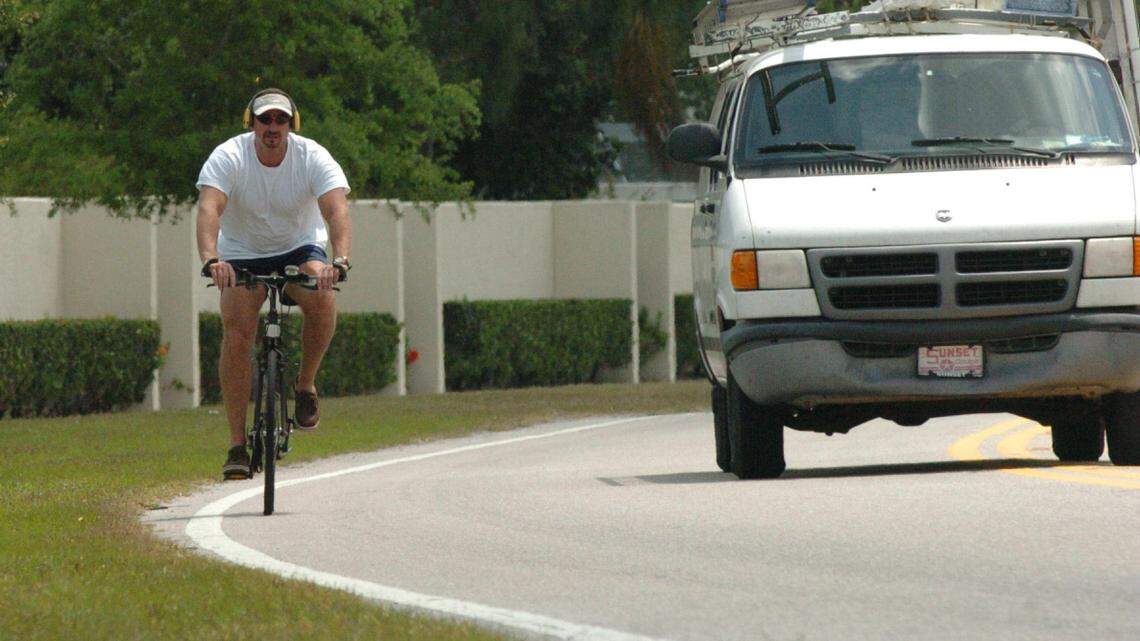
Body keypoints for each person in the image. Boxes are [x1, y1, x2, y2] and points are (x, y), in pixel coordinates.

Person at [196, 88, 352, 480]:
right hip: (242, 251)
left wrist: (340, 260)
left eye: (281, 120)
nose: (273, 127)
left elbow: (336, 210)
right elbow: (209, 207)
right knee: (237, 332)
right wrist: (211, 259)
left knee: (322, 295)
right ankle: (236, 444)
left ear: (291, 124)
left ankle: (305, 385)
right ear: (253, 123)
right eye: (265, 119)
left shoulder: (312, 156)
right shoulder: (229, 156)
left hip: (299, 247)